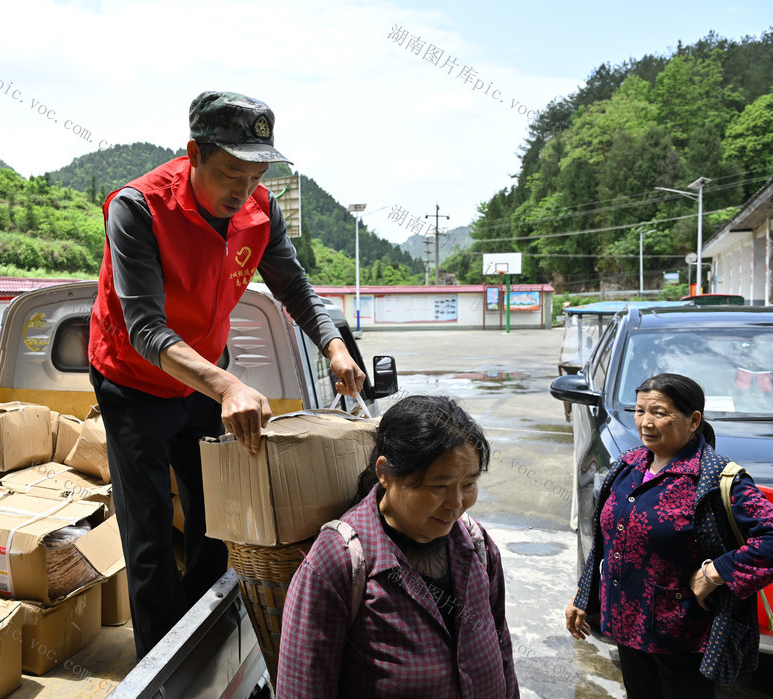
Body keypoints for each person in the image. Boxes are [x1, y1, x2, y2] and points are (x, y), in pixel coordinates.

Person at [87, 90, 366, 658]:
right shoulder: (138, 208)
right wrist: (228, 386)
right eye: (229, 173)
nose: (241, 191)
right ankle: (162, 671)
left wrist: (334, 345)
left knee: (219, 519)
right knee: (149, 537)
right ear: (193, 153)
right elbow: (144, 328)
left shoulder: (260, 210)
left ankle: (205, 637)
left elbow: (293, 286)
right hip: (134, 382)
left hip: (207, 380)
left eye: (255, 173)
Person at [277, 394, 519, 698]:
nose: (457, 504)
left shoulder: (476, 545)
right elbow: (302, 688)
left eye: (468, 485)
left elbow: (503, 651)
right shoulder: (338, 562)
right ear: (385, 472)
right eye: (438, 487)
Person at [565, 373, 773, 698]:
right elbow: (606, 541)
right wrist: (584, 598)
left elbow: (769, 537)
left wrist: (715, 573)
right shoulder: (627, 467)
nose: (646, 422)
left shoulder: (715, 478)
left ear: (693, 420)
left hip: (681, 636)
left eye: (659, 413)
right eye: (639, 411)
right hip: (626, 624)